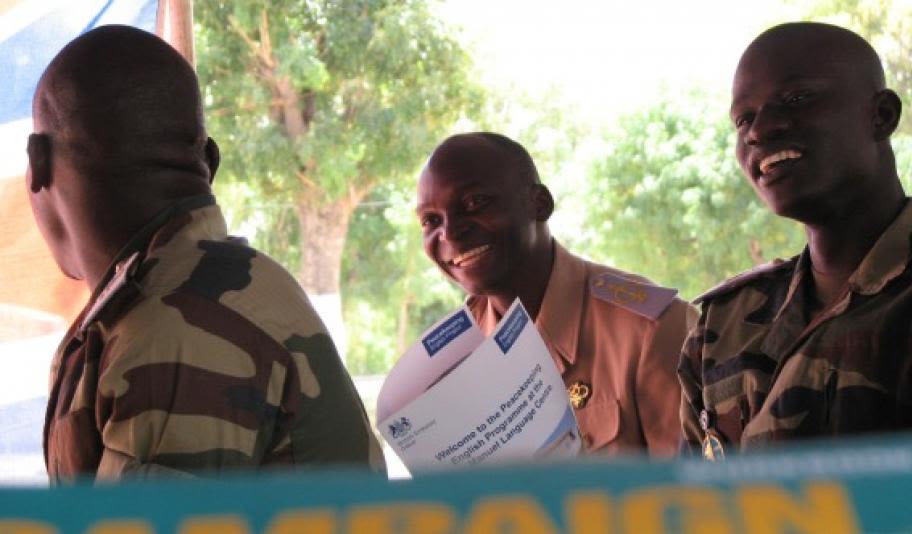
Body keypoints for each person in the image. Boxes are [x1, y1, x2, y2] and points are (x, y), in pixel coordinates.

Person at [26, 25, 384, 482]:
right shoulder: (198, 289)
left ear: (38, 163)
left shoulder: (178, 325)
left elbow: (137, 519)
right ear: (209, 161)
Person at [678, 22, 912, 458]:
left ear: (881, 115)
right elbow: (691, 494)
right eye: (743, 119)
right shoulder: (721, 324)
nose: (758, 131)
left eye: (796, 99)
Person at [416, 132, 695, 456]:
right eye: (431, 220)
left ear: (539, 203)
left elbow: (691, 485)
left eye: (474, 203)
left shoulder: (651, 329)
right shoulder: (453, 358)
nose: (450, 232)